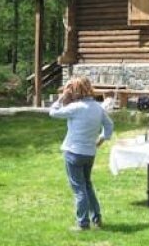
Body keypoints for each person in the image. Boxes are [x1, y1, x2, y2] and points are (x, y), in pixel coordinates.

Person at [50, 77, 114, 231]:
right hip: (89, 153)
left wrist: (61, 98)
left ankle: (83, 223)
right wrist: (102, 138)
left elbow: (53, 112)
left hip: (73, 152)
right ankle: (97, 218)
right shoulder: (98, 108)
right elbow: (109, 125)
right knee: (87, 186)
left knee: (79, 189)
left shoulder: (76, 107)